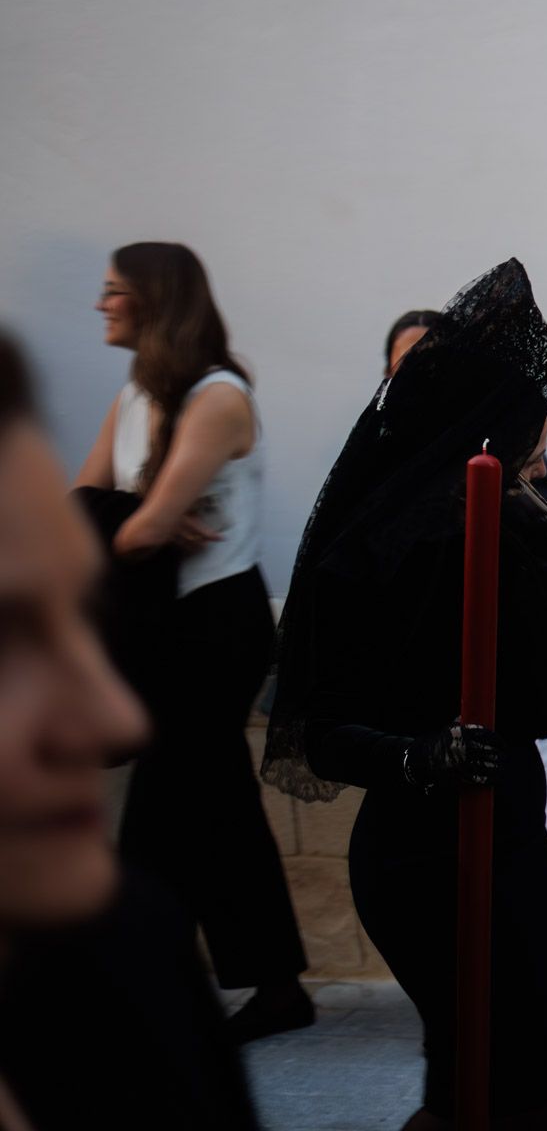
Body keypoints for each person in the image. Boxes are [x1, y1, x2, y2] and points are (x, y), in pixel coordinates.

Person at [265, 260, 547, 1129]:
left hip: (510, 831)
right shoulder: (382, 544)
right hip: (428, 851)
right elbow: (317, 733)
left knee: (531, 1067)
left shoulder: (521, 505)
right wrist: (419, 754)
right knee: (485, 1082)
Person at [0, 329, 261, 1129]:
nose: (107, 716)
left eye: (77, 614)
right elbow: (119, 518)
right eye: (7, 638)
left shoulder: (132, 966)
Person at [73, 242, 312, 1043]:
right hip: (167, 626)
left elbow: (133, 528)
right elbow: (91, 505)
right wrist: (129, 519)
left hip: (215, 626)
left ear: (155, 299)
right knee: (212, 805)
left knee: (172, 806)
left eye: (114, 292)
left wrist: (132, 519)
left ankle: (153, 988)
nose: (102, 304)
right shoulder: (137, 391)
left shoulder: (218, 397)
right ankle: (267, 987)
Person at [383, 306, 547, 1022]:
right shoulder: (380, 484)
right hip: (423, 727)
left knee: (539, 836)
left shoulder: (512, 474)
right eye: (402, 370)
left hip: (512, 707)